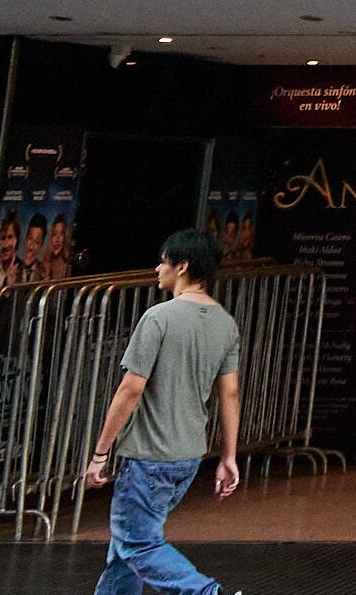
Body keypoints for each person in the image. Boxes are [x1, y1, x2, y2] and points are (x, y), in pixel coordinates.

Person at [81, 229, 241, 595]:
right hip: (188, 455)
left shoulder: (158, 318)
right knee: (127, 545)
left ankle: (204, 592)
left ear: (181, 266)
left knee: (138, 543)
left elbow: (131, 389)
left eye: (163, 261)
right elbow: (230, 393)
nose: (157, 269)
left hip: (149, 455)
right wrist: (228, 457)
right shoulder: (225, 324)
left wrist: (100, 453)